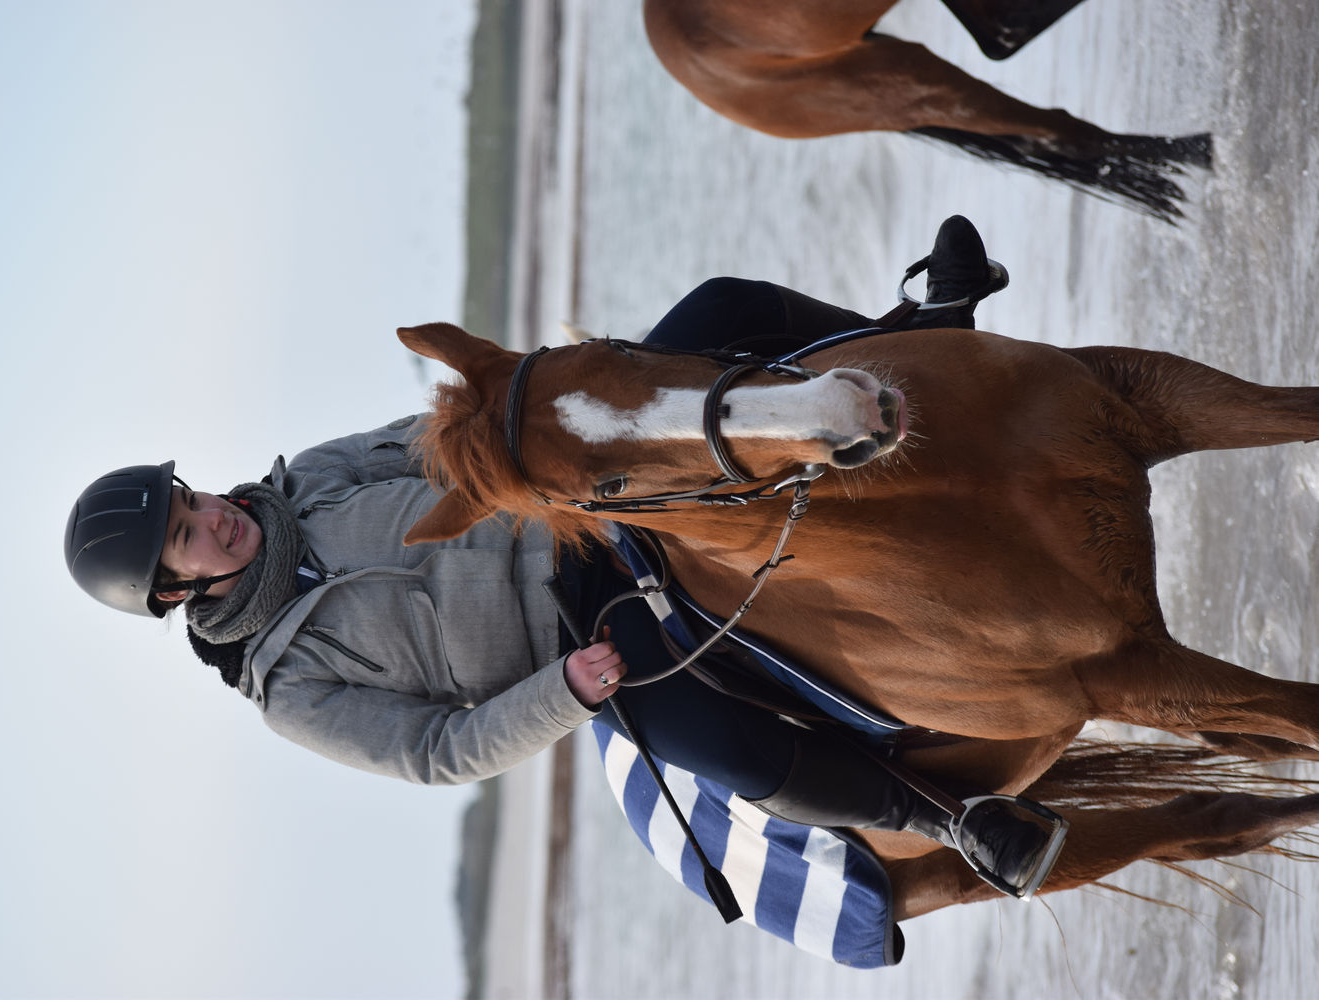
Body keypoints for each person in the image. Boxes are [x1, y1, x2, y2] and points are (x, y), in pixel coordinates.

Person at [64, 216, 1050, 895]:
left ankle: (911, 334)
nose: (213, 516)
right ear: (174, 590)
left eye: (191, 497)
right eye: (189, 532)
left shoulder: (302, 485)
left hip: (586, 503)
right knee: (733, 752)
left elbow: (440, 437)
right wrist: (566, 694)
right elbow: (433, 752)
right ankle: (955, 819)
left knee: (715, 309)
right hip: (588, 634)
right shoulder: (290, 690)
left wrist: (553, 410)